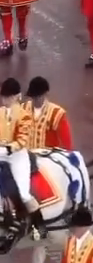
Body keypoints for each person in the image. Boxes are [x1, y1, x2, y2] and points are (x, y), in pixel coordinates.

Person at [0, 78, 45, 238]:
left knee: (24, 194)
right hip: (1, 155)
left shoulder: (24, 115)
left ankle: (39, 226)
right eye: (3, 97)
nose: (3, 100)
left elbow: (22, 140)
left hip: (18, 157)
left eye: (6, 97)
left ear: (15, 97)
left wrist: (6, 149)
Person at [22, 77, 73, 150]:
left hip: (47, 158)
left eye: (38, 97)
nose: (35, 100)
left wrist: (69, 154)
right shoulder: (23, 108)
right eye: (33, 97)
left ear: (46, 94)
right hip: (26, 156)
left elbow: (66, 140)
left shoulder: (57, 113)